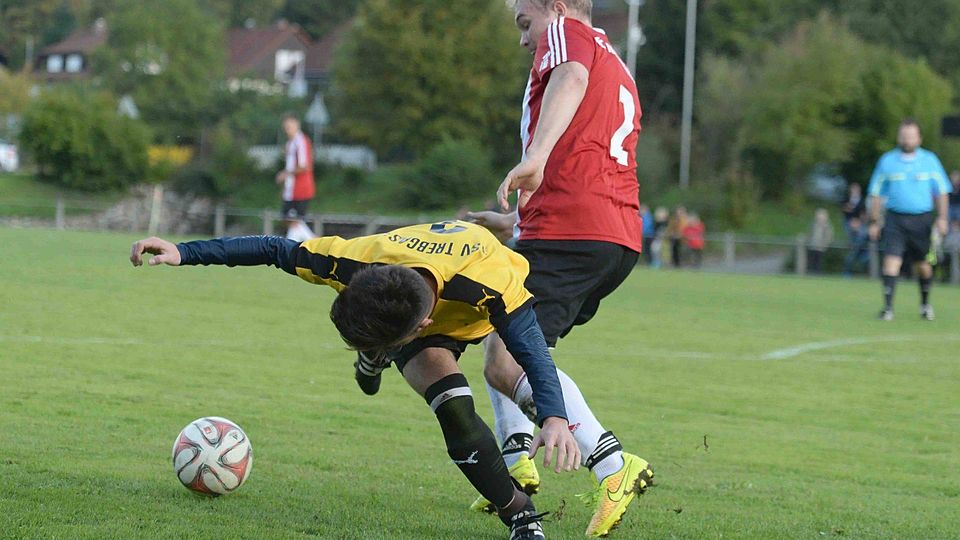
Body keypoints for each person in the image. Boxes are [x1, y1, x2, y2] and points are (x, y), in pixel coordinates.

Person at [129, 221, 584, 540]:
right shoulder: (354, 260)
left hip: (468, 307)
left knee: (500, 368)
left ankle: (373, 356)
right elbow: (272, 248)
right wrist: (185, 252)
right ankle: (519, 514)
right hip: (412, 303)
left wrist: (554, 418)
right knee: (455, 410)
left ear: (420, 327)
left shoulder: (494, 285)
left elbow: (533, 354)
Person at [468, 1, 654, 537]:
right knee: (497, 321)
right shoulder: (612, 57)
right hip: (609, 233)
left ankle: (612, 464)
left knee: (506, 360)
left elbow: (569, 78)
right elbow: (590, 152)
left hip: (570, 231)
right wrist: (515, 221)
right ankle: (516, 463)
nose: (524, 39)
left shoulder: (567, 33)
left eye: (524, 23)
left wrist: (535, 157)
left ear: (553, 6)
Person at [867, 119, 952, 321]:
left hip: (922, 220)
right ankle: (888, 308)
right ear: (899, 137)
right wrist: (874, 221)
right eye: (904, 136)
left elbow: (941, 192)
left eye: (911, 136)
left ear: (919, 138)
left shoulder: (929, 160)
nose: (907, 140)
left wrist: (942, 218)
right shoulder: (887, 161)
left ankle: (925, 304)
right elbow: (876, 193)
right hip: (895, 219)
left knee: (923, 266)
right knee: (891, 262)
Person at [275, 114, 316, 242]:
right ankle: (310, 243)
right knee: (291, 220)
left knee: (294, 220)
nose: (287, 130)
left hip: (301, 188)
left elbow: (304, 166)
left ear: (297, 125)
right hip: (291, 189)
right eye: (286, 127)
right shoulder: (290, 143)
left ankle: (313, 242)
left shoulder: (301, 141)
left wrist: (285, 174)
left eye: (289, 127)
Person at [807, 208, 834, 274]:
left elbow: (829, 237)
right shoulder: (813, 225)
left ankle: (817, 274)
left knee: (819, 262)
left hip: (821, 248)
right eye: (819, 217)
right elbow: (810, 234)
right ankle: (810, 274)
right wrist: (808, 241)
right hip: (812, 246)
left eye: (822, 217)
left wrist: (825, 245)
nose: (820, 219)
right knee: (811, 261)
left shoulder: (827, 226)